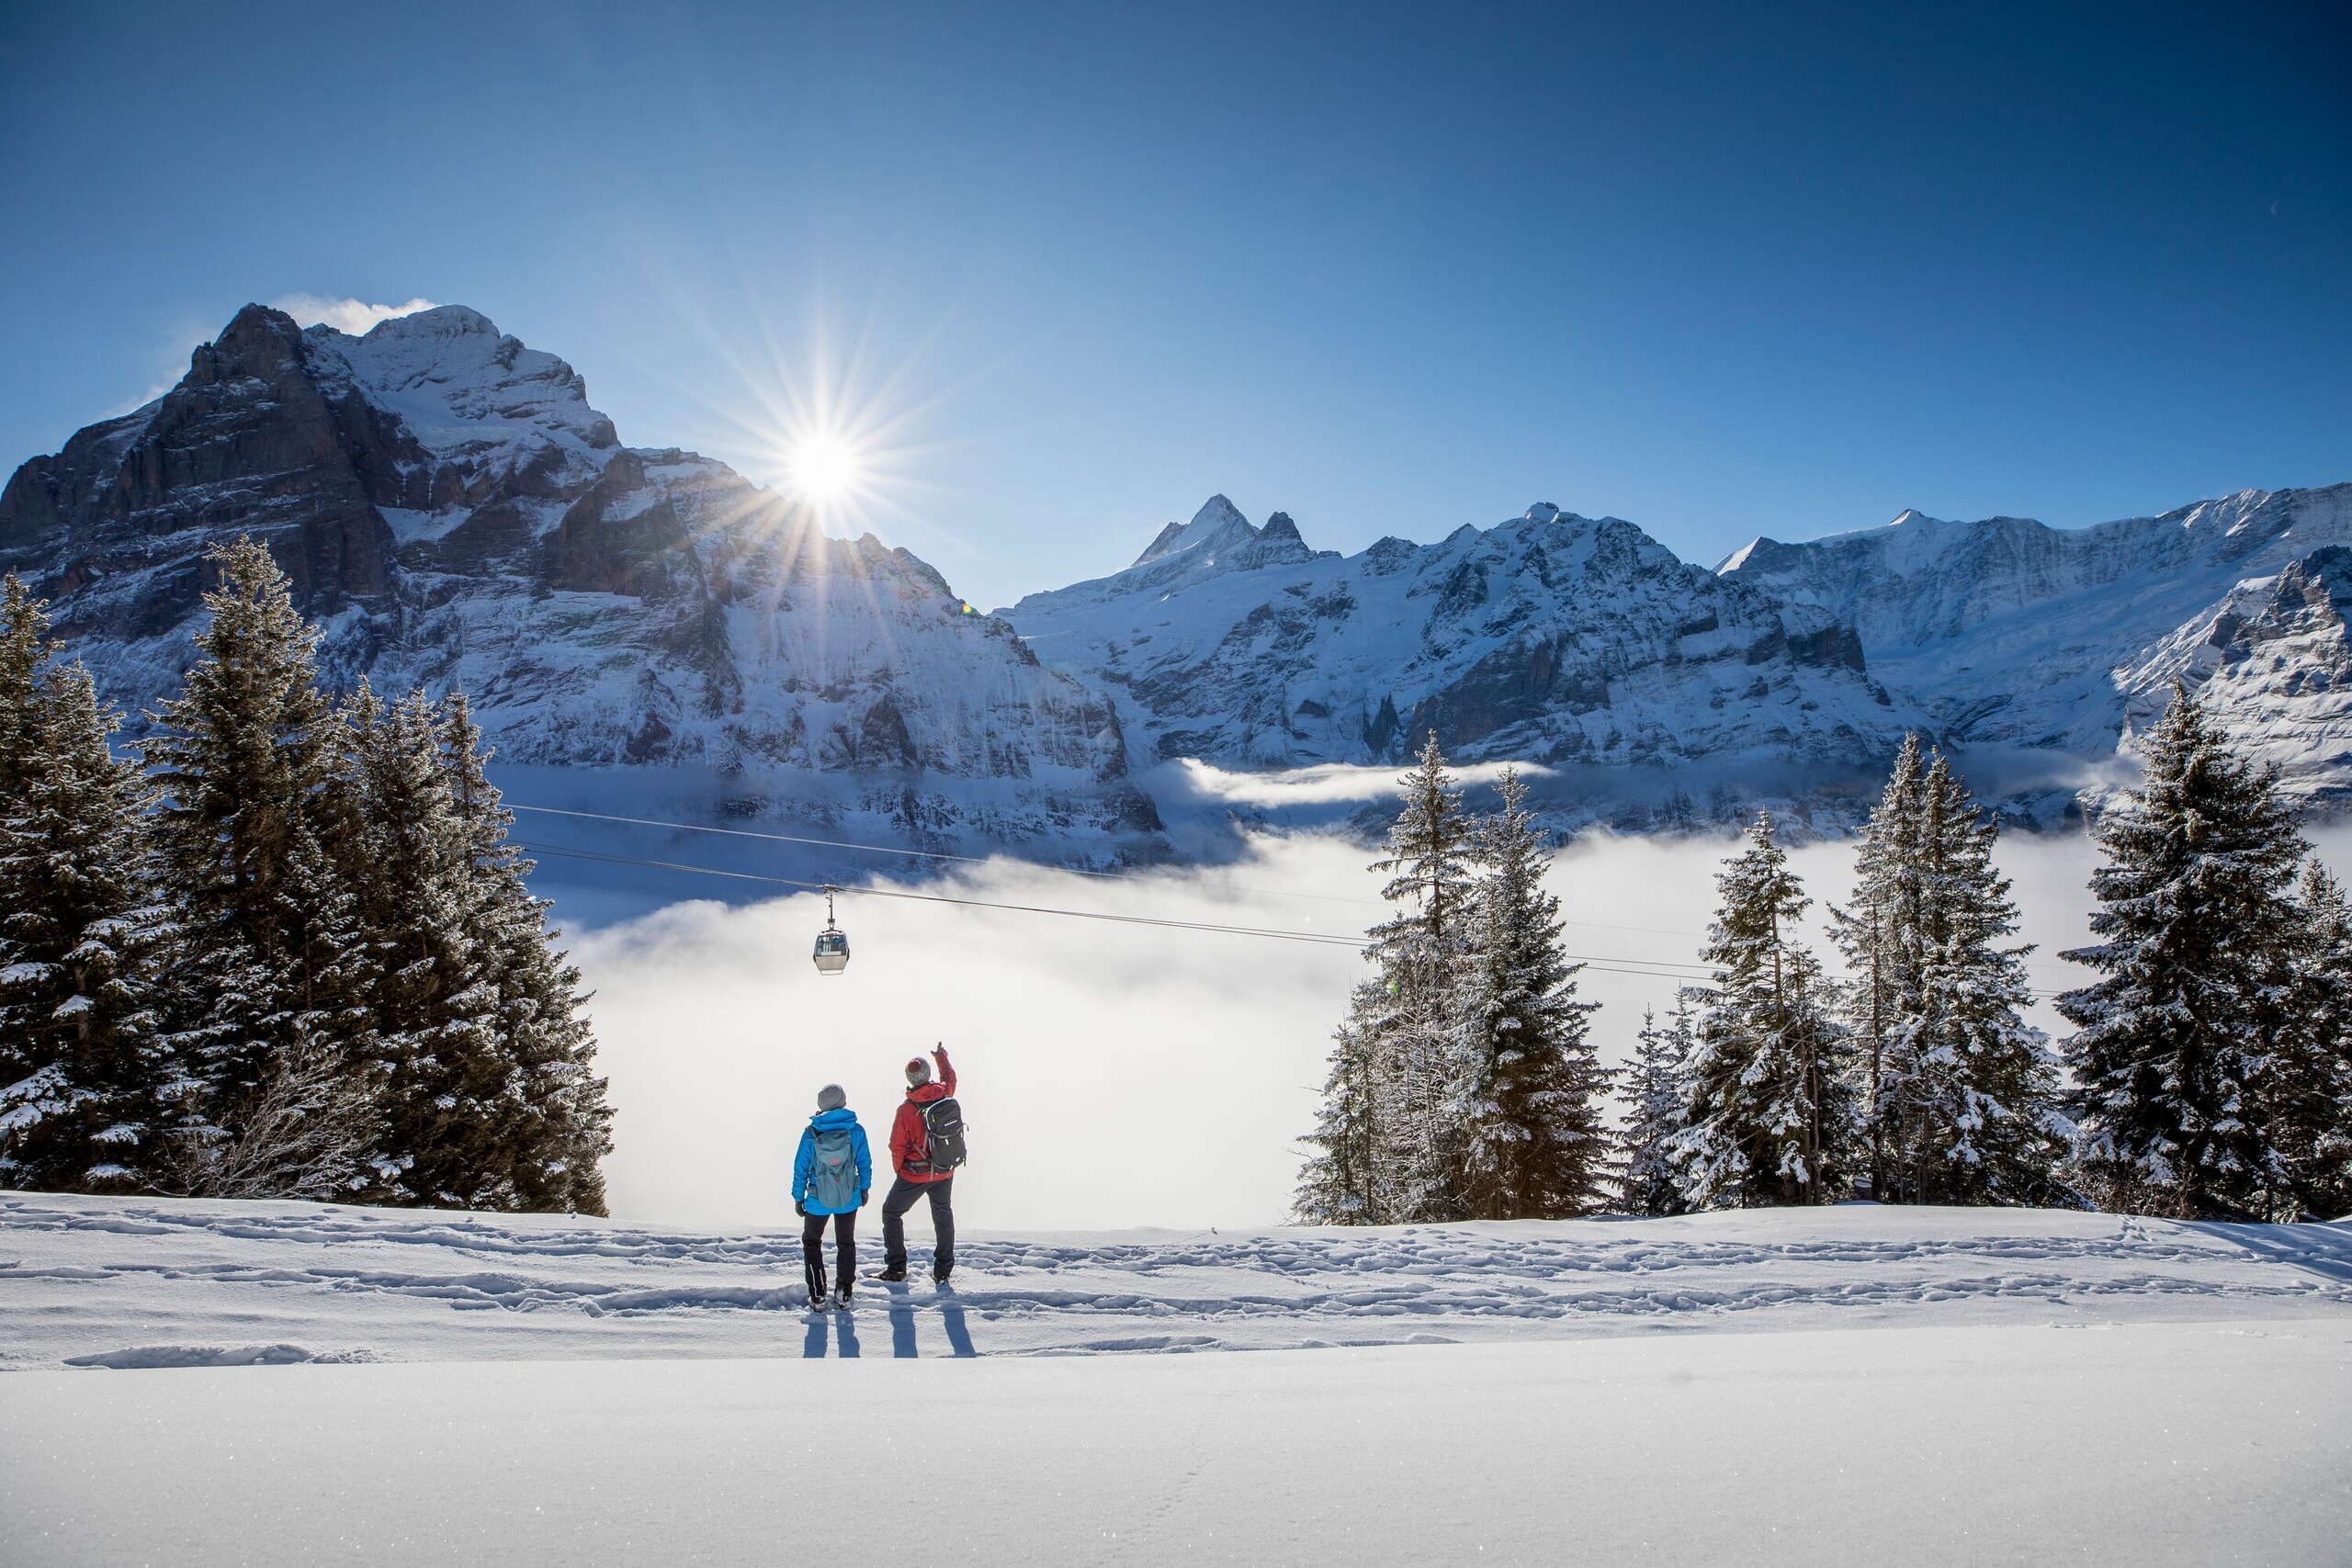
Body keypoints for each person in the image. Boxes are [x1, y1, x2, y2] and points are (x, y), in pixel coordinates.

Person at [876, 1044, 958, 1284]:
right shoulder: (943, 1094)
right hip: (944, 1170)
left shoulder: (906, 1110)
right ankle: (943, 1271)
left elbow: (896, 1146)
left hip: (915, 1174)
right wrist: (942, 1058)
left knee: (891, 1212)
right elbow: (950, 1078)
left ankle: (896, 1268)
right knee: (943, 1214)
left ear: (909, 1078)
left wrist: (900, 1171)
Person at [792, 1083, 871, 1310]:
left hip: (818, 1200)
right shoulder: (856, 1130)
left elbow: (801, 1168)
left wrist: (799, 1198)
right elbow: (864, 1163)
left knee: (812, 1242)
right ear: (843, 1101)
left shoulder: (811, 1133)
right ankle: (844, 1294)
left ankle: (817, 1296)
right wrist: (864, 1189)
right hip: (848, 1197)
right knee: (846, 1243)